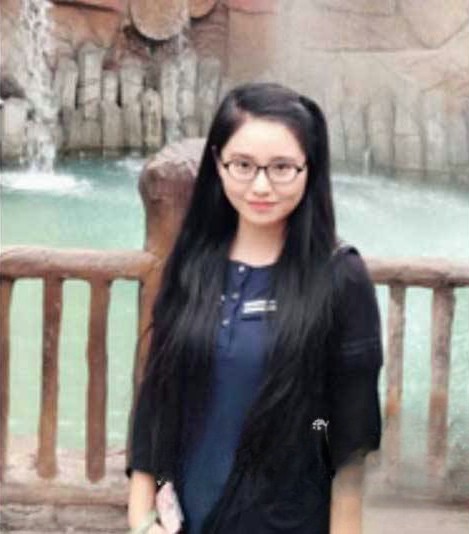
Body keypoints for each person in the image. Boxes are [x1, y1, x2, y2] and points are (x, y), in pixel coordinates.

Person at [126, 82, 383, 534]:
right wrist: (142, 521)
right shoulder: (194, 262)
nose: (261, 186)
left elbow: (346, 448)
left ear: (310, 168)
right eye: (243, 165)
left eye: (282, 167)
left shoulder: (340, 278)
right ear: (218, 163)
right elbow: (157, 403)